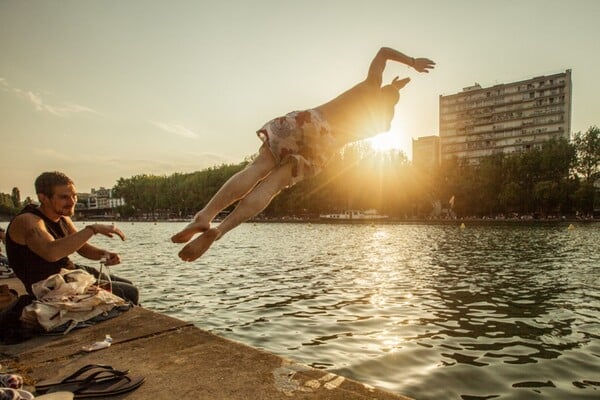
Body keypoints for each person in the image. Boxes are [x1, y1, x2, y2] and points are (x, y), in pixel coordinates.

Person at [172, 46, 435, 261]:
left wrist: (411, 63)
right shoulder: (380, 125)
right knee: (271, 187)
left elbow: (382, 53)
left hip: (310, 122)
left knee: (256, 170)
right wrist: (393, 94)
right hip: (323, 147)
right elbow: (386, 106)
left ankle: (204, 217)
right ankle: (219, 232)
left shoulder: (369, 87)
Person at [5, 171, 139, 304]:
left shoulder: (63, 217)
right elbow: (51, 253)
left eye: (74, 196)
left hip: (70, 275)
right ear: (43, 198)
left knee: (127, 284)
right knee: (130, 292)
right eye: (64, 197)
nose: (72, 202)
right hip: (52, 287)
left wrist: (104, 254)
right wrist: (92, 229)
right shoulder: (28, 221)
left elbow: (82, 248)